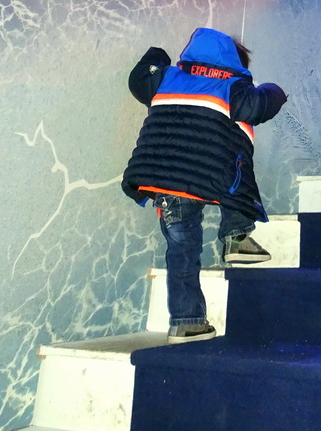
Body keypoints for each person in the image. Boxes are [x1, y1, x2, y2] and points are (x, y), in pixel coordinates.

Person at [121, 27, 287, 344]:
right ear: (235, 64)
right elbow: (260, 107)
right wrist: (274, 89)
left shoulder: (167, 78)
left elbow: (138, 79)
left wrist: (158, 53)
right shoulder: (233, 87)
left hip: (164, 179)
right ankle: (236, 237)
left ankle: (187, 322)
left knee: (182, 250)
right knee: (238, 165)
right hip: (212, 174)